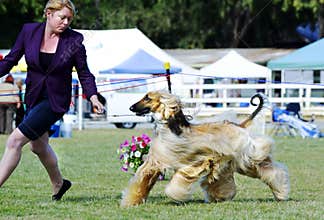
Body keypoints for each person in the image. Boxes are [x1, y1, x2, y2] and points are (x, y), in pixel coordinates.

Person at [0, 0, 104, 200]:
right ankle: (59, 183)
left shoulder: (73, 41)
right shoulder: (28, 32)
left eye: (69, 19)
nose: (66, 22)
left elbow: (84, 73)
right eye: (62, 17)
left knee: (14, 141)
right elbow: (11, 60)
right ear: (48, 13)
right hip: (33, 96)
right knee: (37, 146)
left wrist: (93, 96)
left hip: (55, 101)